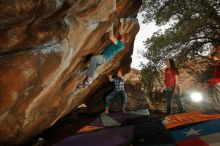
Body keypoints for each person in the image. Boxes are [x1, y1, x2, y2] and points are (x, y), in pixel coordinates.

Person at [208, 45, 220, 112]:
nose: (213, 62)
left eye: (215, 60)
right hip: (217, 81)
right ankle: (214, 106)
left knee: (217, 85)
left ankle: (218, 107)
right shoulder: (216, 67)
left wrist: (213, 81)